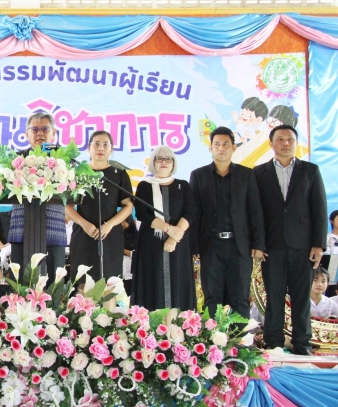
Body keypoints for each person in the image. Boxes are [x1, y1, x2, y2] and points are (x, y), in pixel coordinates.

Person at [255, 124, 327, 355]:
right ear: (271, 144)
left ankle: (302, 344)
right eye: (280, 139)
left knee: (301, 298)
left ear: (296, 143)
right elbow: (256, 212)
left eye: (290, 139)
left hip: (303, 246)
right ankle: (273, 342)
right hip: (271, 246)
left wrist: (318, 244)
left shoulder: (310, 170)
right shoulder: (259, 173)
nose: (285, 143)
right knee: (274, 297)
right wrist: (258, 244)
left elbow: (319, 208)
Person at [189, 126, 265, 321]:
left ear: (234, 148)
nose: (221, 148)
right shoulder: (198, 175)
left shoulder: (246, 175)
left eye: (225, 144)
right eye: (217, 144)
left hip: (239, 246)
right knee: (211, 297)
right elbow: (194, 213)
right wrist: (194, 247)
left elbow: (255, 211)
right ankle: (213, 338)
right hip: (210, 246)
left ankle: (239, 338)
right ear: (210, 148)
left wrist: (258, 243)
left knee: (239, 297)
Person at [132, 145, 196, 311]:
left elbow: (190, 212)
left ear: (173, 163)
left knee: (178, 285)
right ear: (153, 162)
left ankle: (177, 325)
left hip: (178, 244)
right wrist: (168, 229)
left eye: (168, 159)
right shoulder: (144, 186)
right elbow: (142, 214)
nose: (164, 162)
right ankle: (153, 325)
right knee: (153, 285)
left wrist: (174, 237)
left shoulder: (183, 185)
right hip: (151, 244)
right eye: (159, 158)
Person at [8, 113, 69, 282]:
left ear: (54, 133)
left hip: (53, 227)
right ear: (27, 134)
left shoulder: (64, 160)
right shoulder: (15, 160)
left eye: (45, 129)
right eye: (35, 129)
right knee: (20, 282)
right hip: (22, 227)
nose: (40, 133)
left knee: (54, 283)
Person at [67, 131, 134, 281]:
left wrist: (109, 225)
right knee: (83, 281)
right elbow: (66, 206)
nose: (101, 148)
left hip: (110, 234)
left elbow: (128, 206)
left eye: (105, 145)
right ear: (88, 148)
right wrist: (83, 223)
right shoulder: (76, 173)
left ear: (111, 150)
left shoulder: (119, 173)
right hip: (83, 232)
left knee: (110, 282)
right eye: (96, 144)